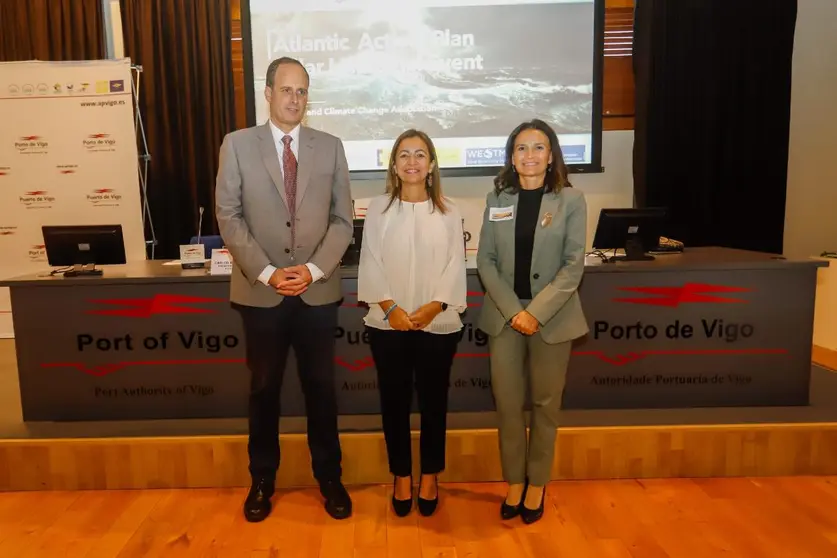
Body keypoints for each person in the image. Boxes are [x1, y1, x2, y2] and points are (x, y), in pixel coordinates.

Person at [215, 56, 354, 522]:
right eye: (287, 90)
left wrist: (313, 270)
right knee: (264, 389)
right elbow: (228, 217)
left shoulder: (330, 147)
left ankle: (330, 477)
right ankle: (262, 480)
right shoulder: (236, 145)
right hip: (261, 292)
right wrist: (269, 271)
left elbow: (342, 219)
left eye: (302, 91)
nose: (295, 99)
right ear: (269, 93)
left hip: (317, 292)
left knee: (321, 388)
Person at [476, 119, 588, 524]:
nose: (529, 156)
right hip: (506, 317)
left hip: (552, 319)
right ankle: (514, 483)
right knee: (507, 405)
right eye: (521, 148)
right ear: (511, 157)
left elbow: (573, 266)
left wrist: (535, 312)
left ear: (552, 154)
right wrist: (515, 311)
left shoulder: (571, 201)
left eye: (538, 147)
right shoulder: (497, 199)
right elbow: (485, 260)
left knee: (545, 405)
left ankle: (537, 483)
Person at [357, 129, 467, 517]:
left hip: (438, 323)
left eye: (421, 155)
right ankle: (402, 475)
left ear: (432, 165)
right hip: (389, 324)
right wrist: (392, 309)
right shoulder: (378, 209)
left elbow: (456, 264)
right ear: (394, 164)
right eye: (404, 154)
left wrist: (433, 307)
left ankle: (431, 475)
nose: (412, 162)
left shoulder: (451, 212)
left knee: (434, 402)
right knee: (395, 402)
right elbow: (370, 261)